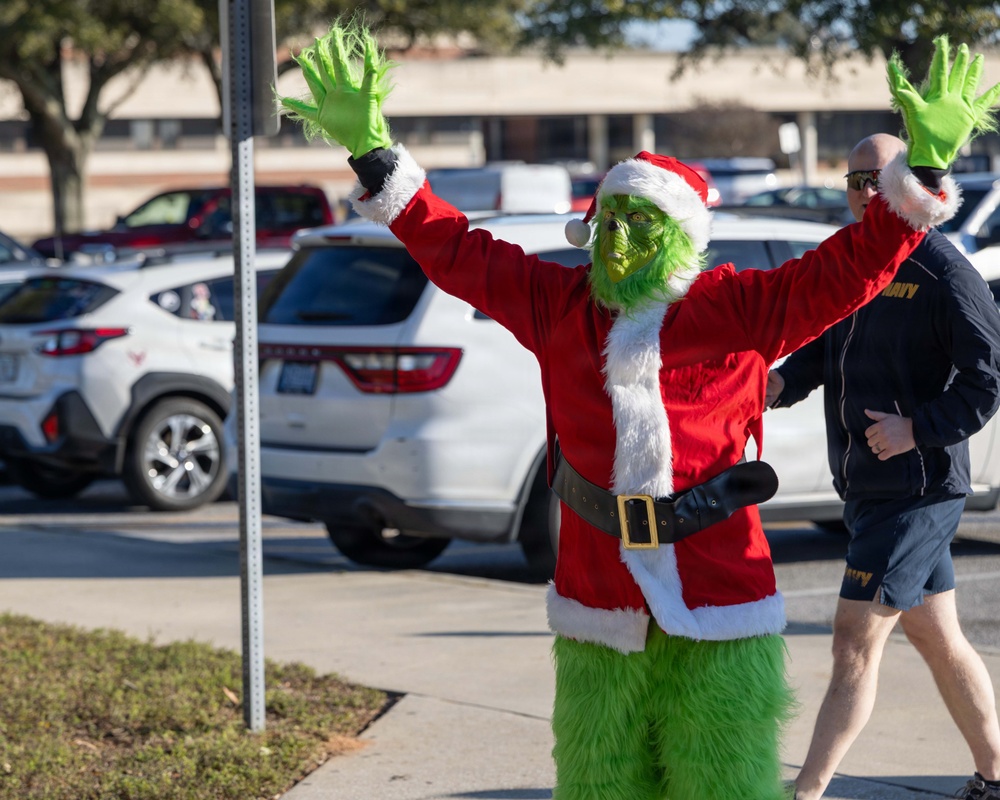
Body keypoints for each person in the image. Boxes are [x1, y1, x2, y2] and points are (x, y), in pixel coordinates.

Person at [280, 27, 995, 800]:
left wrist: (921, 172)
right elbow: (457, 251)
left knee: (720, 783)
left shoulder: (736, 307)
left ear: (678, 236)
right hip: (595, 598)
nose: (617, 238)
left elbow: (850, 266)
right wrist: (377, 158)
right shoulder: (560, 305)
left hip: (719, 590)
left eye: (638, 222)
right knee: (599, 784)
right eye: (607, 220)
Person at [767, 132, 1000, 800]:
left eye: (878, 178)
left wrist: (916, 429)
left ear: (907, 184)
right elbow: (826, 345)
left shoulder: (943, 270)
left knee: (851, 640)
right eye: (855, 181)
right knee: (938, 636)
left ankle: (806, 791)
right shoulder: (851, 261)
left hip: (916, 489)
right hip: (867, 484)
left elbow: (988, 380)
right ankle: (995, 775)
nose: (866, 192)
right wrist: (783, 383)